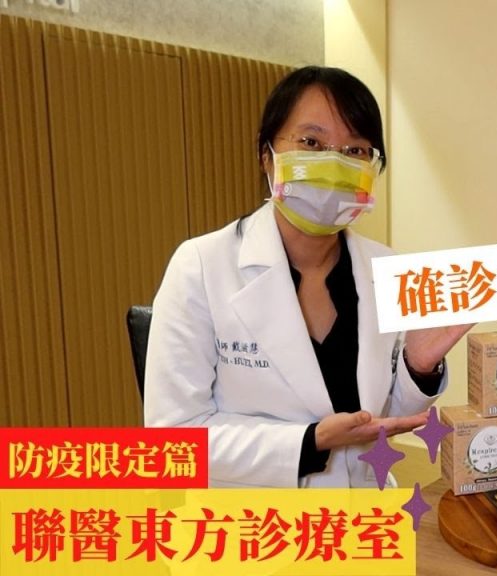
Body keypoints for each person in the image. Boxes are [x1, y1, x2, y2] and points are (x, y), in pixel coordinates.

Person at [145, 66, 470, 487]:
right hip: (257, 518)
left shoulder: (387, 269)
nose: (333, 164)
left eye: (355, 150)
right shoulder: (202, 266)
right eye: (311, 143)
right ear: (266, 154)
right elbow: (173, 438)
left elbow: (382, 419)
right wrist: (308, 442)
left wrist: (418, 369)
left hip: (364, 506)